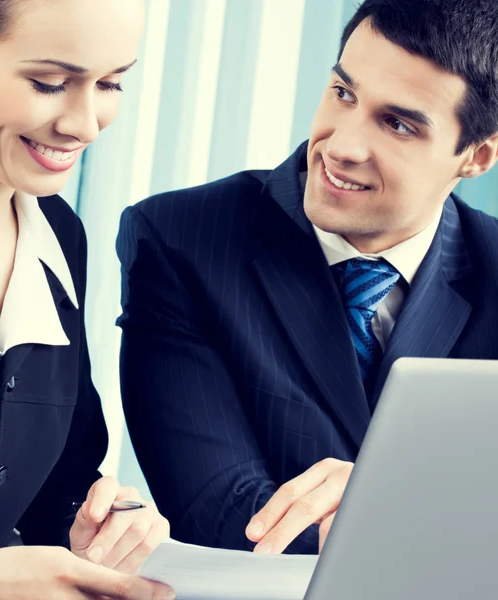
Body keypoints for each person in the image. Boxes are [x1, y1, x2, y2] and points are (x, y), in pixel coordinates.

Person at [116, 0, 498, 558]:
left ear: (476, 155)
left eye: (397, 124)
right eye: (343, 93)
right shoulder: (181, 240)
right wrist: (416, 510)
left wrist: (375, 505)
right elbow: (220, 511)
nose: (340, 147)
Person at [0, 1, 175, 599]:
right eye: (50, 83)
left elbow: (57, 480)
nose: (85, 123)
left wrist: (100, 522)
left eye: (110, 83)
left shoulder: (58, 233)